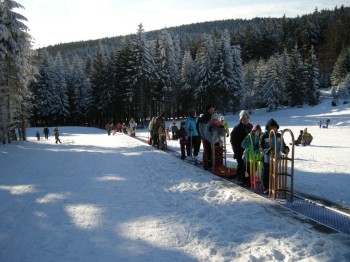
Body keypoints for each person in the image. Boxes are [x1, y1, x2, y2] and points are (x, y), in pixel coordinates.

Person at [260, 119, 289, 194]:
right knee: (266, 173)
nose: (273, 128)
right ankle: (266, 187)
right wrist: (267, 151)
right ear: (268, 127)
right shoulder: (264, 136)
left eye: (274, 127)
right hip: (267, 159)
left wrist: (285, 149)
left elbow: (282, 146)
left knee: (274, 173)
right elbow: (261, 147)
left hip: (276, 158)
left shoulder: (279, 136)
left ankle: (274, 186)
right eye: (271, 127)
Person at [230, 110, 253, 186]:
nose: (245, 119)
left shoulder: (251, 127)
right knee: (241, 164)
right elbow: (233, 141)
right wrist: (235, 152)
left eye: (246, 117)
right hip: (239, 150)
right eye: (243, 118)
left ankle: (246, 179)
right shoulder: (237, 128)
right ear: (241, 119)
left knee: (248, 165)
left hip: (249, 150)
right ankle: (239, 178)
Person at [198, 104, 215, 169]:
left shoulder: (213, 116)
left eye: (213, 109)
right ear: (208, 110)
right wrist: (204, 136)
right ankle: (205, 164)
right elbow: (201, 128)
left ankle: (212, 163)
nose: (212, 110)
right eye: (211, 109)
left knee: (211, 150)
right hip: (205, 136)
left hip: (213, 136)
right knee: (206, 150)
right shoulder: (204, 117)